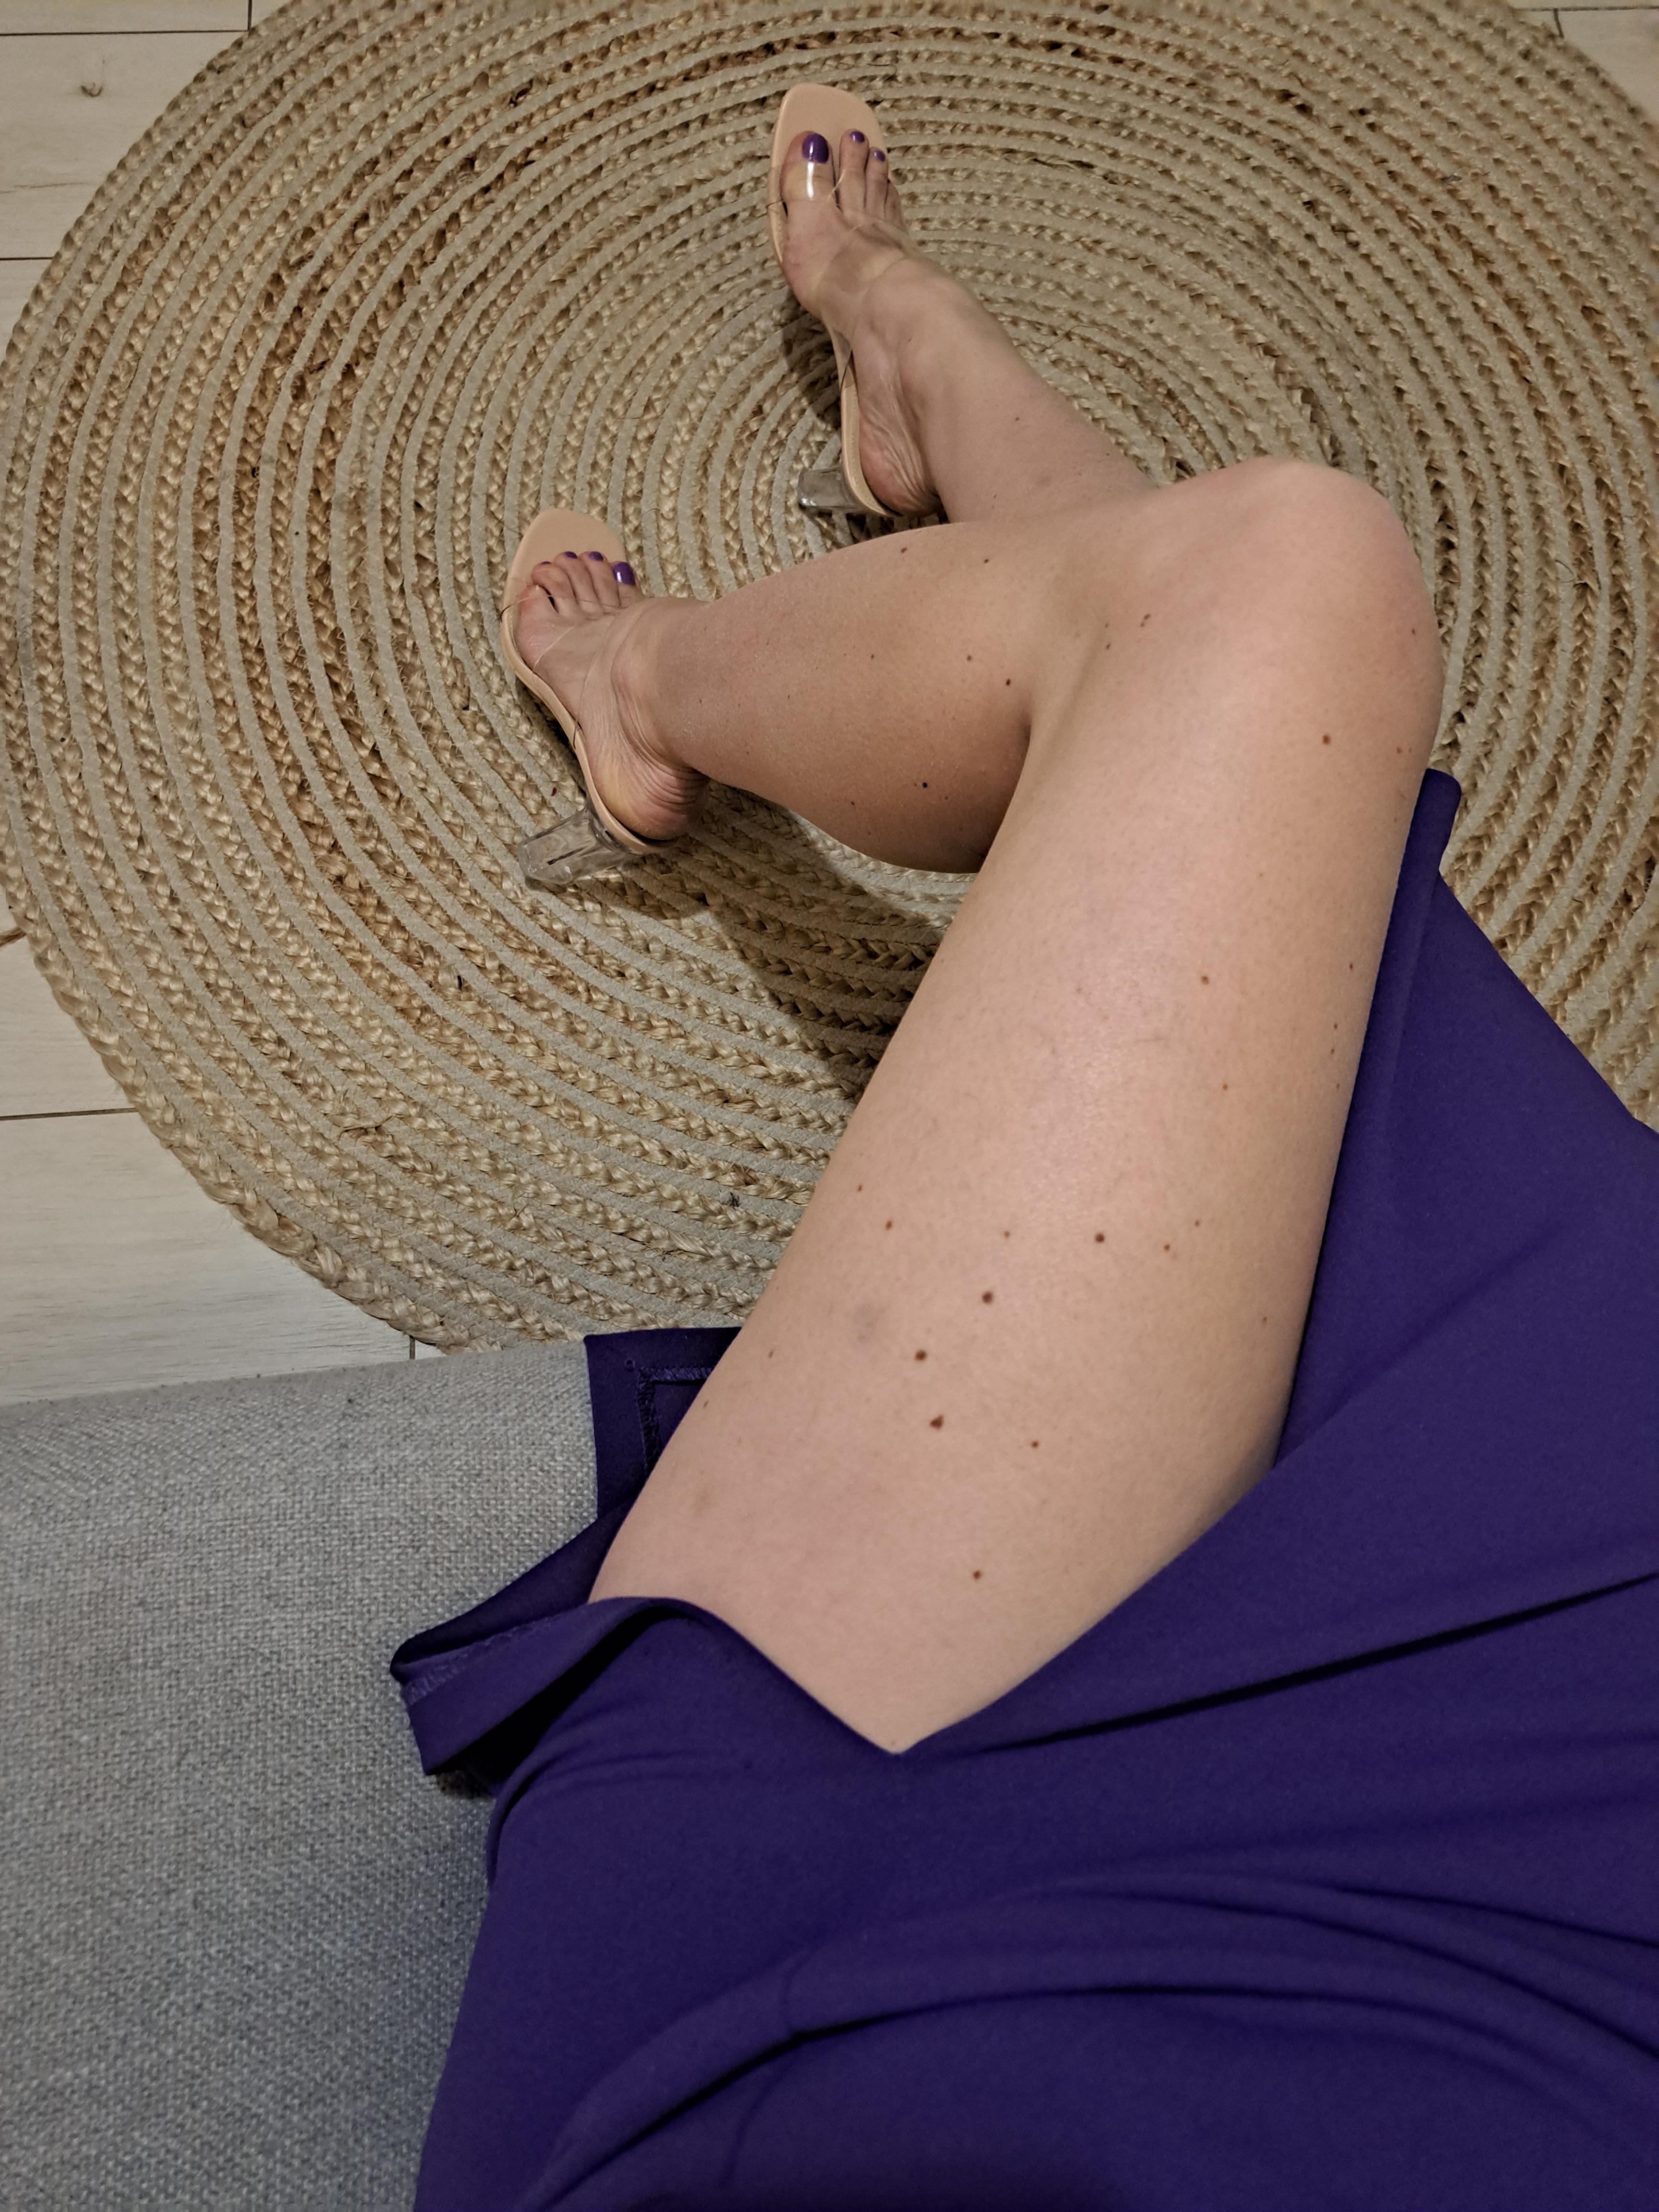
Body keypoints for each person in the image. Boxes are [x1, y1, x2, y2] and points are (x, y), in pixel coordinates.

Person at [391, 106, 1659, 2209]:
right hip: (1600, 1715)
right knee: (1273, 755)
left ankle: (651, 677)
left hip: (922, 2000)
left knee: (1259, 612)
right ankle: (916, 355)